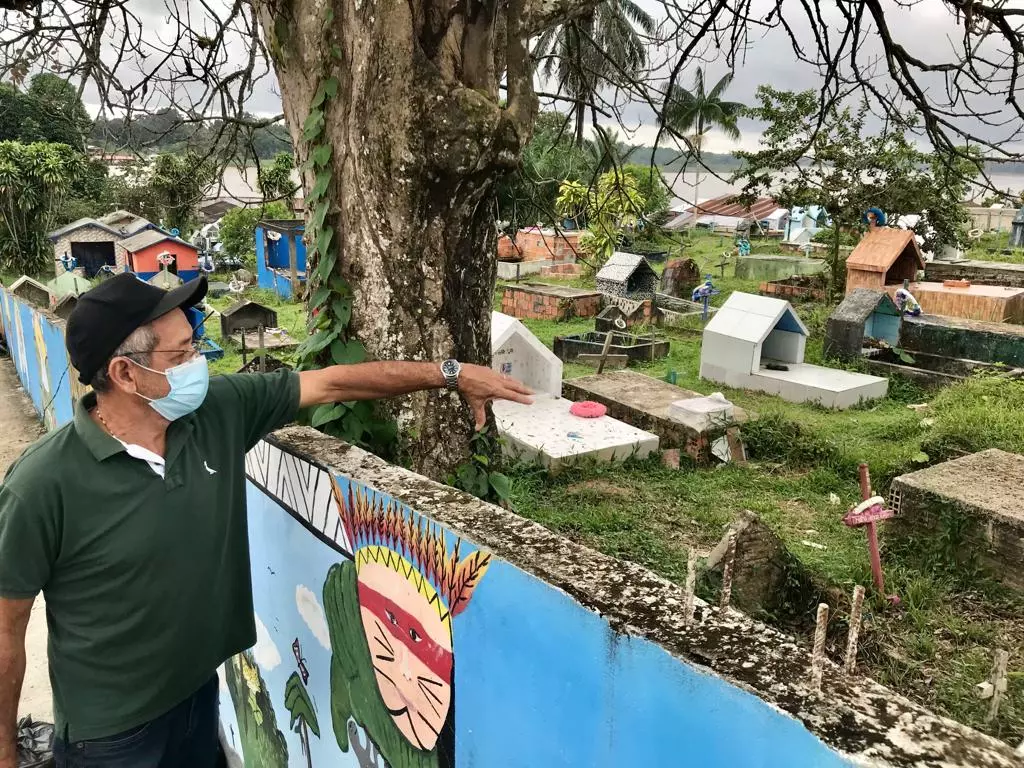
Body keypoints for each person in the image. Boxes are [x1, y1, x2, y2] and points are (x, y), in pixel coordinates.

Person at [0, 274, 532, 768]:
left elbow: (332, 384)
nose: (200, 360)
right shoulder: (43, 484)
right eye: (182, 352)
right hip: (110, 733)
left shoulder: (215, 413)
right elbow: (7, 629)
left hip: (196, 696)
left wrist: (451, 374)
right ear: (125, 373)